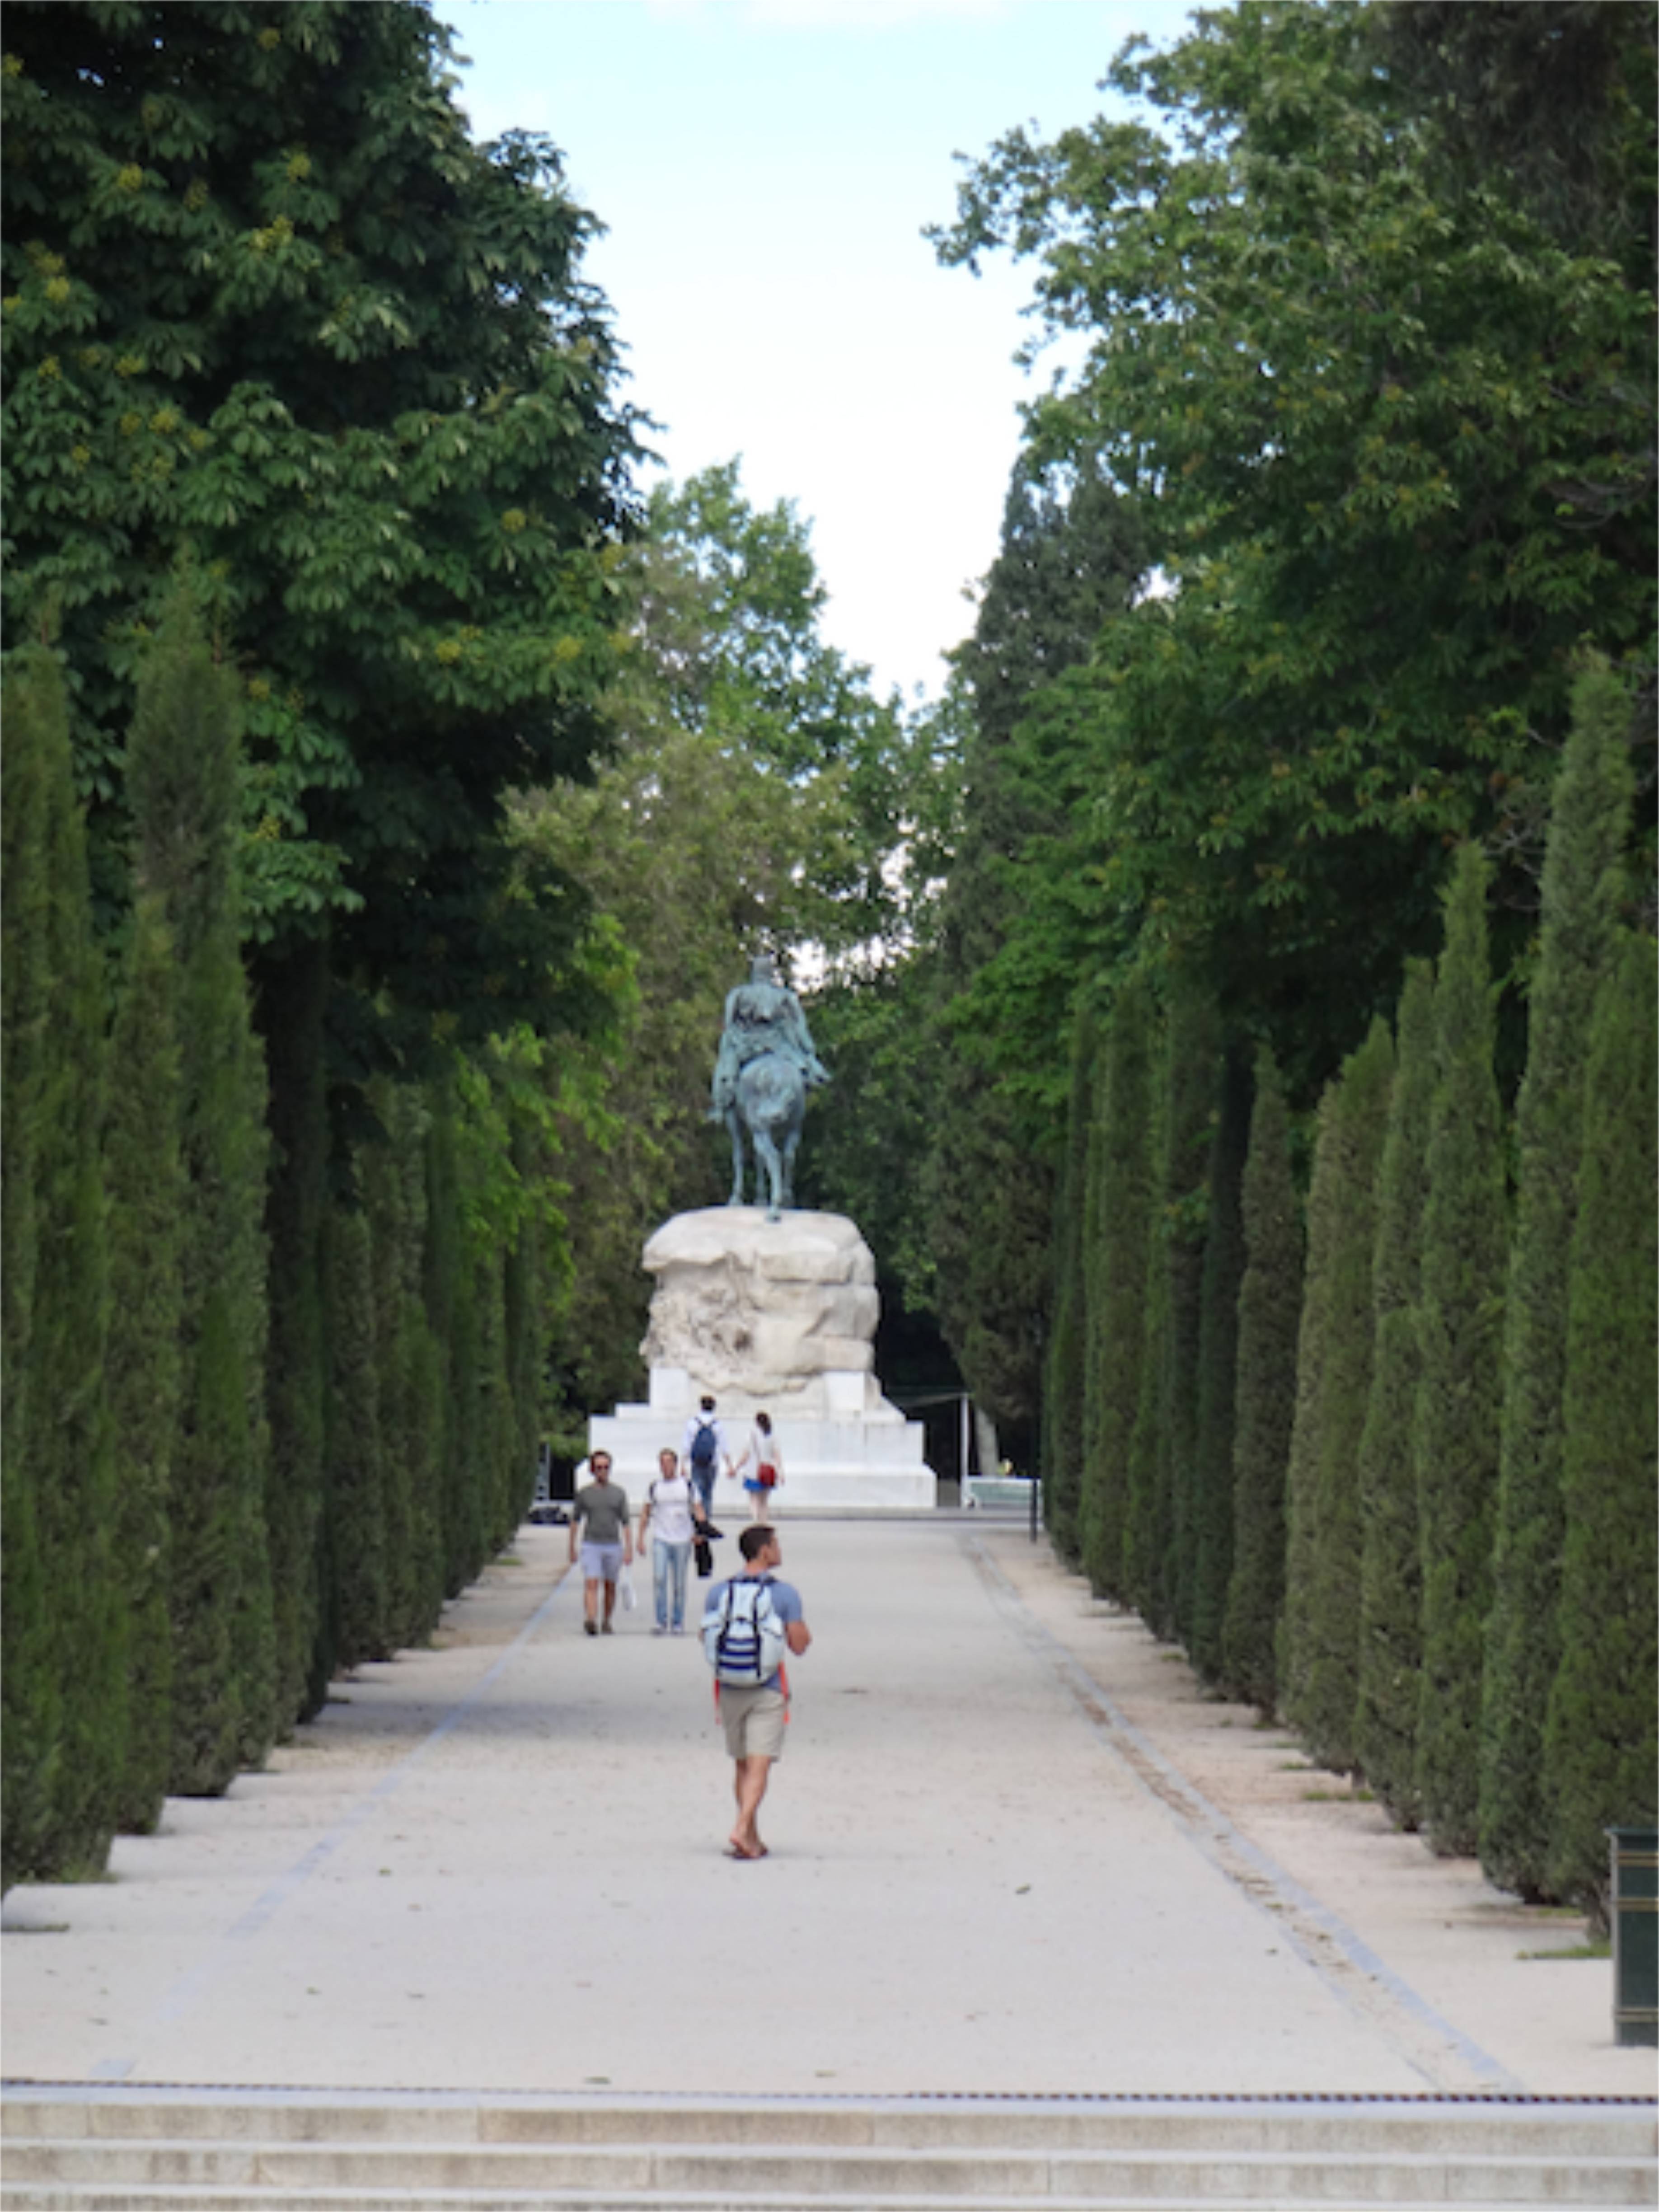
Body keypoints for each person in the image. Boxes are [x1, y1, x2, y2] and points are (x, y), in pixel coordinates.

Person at [703, 1524, 811, 1861]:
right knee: (760, 1766)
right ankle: (741, 1826)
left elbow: (706, 1637)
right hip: (768, 1688)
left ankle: (752, 1838)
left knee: (741, 1765)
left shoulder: (719, 1592)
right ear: (764, 1551)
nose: (779, 1551)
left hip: (730, 1687)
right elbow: (799, 1645)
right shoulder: (784, 1595)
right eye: (775, 1545)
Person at [708, 952, 830, 1125]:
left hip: (746, 1043)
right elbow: (800, 1026)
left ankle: (720, 1106)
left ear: (754, 973)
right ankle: (812, 1076)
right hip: (778, 1044)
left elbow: (729, 1024)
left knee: (726, 1068)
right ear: (771, 974)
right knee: (802, 1064)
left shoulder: (738, 994)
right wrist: (809, 1050)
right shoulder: (786, 996)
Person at [568, 1449, 633, 1636]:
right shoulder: (584, 1494)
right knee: (591, 1583)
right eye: (599, 1468)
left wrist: (628, 1548)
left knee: (610, 1585)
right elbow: (575, 1521)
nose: (602, 1471)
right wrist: (571, 1547)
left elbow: (626, 1522)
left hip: (613, 1544)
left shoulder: (619, 1494)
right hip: (591, 1544)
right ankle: (591, 1618)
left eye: (606, 1468)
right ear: (592, 1470)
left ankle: (607, 1620)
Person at [637, 1446, 698, 1636]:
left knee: (679, 1582)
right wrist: (640, 1536)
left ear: (676, 1464)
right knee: (659, 1578)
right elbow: (646, 1512)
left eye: (669, 1462)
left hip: (682, 1539)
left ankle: (678, 1620)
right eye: (662, 1463)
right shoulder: (655, 1487)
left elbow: (698, 1509)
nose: (666, 1466)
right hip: (661, 1538)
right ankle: (661, 1620)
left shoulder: (687, 1486)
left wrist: (701, 1532)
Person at [732, 1409, 783, 1523]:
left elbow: (746, 1455)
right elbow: (777, 1456)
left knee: (753, 1499)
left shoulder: (752, 1435)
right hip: (768, 1470)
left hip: (753, 1471)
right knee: (764, 1501)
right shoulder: (773, 1436)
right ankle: (764, 1521)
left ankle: (755, 1520)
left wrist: (736, 1468)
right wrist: (780, 1472)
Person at [683, 1395, 731, 1516]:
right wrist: (729, 1465)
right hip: (712, 1462)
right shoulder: (718, 1425)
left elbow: (686, 1446)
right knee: (708, 1493)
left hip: (696, 1462)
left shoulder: (692, 1423)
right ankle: (706, 1519)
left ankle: (697, 1518)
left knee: (696, 1492)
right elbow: (724, 1446)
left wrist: (683, 1465)